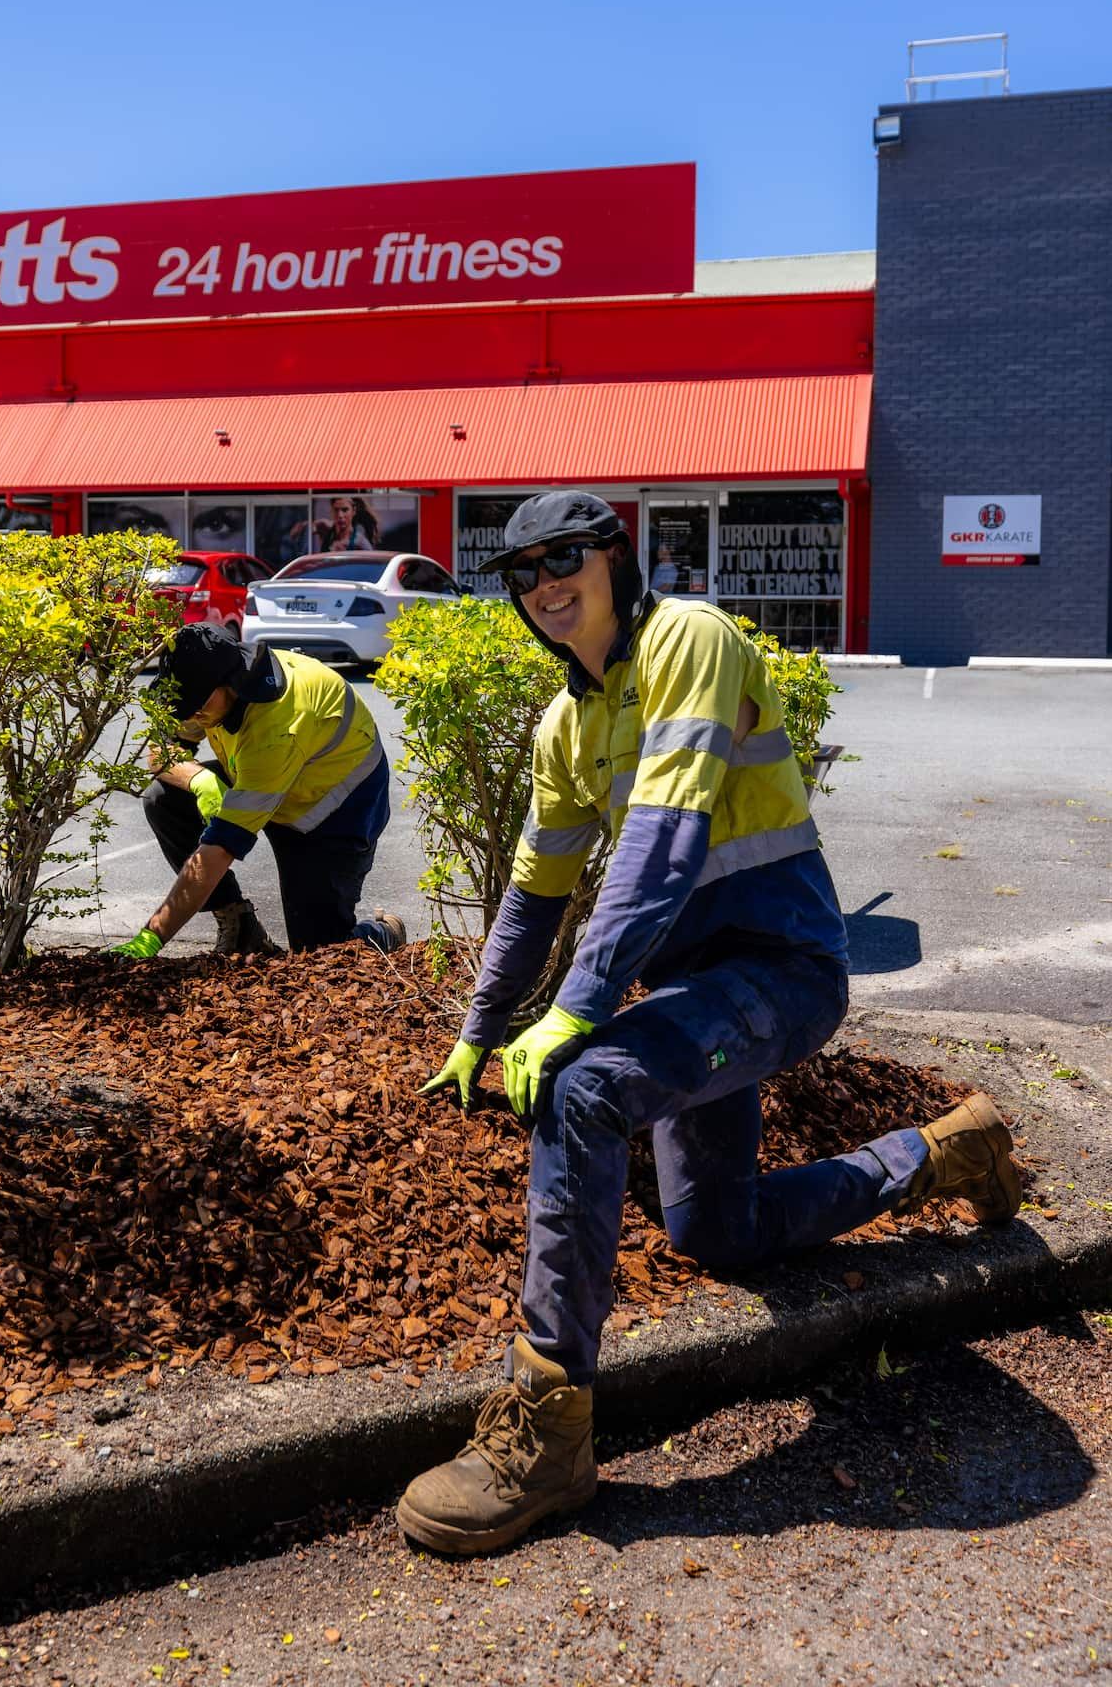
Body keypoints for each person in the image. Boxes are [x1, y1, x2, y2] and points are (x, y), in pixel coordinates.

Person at [399, 491, 1019, 1556]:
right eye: (522, 572)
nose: (545, 583)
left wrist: (577, 1010)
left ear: (614, 557)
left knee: (584, 1084)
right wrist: (479, 1026)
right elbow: (535, 892)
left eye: (565, 557)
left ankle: (547, 1434)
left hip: (782, 972)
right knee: (713, 1231)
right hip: (699, 995)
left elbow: (662, 839)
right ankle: (943, 1150)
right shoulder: (564, 722)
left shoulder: (687, 636)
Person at [111, 624, 405, 961]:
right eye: (185, 704)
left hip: (333, 807)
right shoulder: (206, 691)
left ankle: (383, 932)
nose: (191, 715)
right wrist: (198, 780)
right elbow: (160, 752)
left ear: (232, 684)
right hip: (263, 775)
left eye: (197, 704)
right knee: (164, 797)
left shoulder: (279, 725)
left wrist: (152, 936)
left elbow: (219, 850)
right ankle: (239, 924)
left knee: (319, 954)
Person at [315, 493, 379, 552]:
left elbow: (373, 562)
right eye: (336, 510)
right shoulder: (324, 529)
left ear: (353, 511)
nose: (340, 515)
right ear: (331, 511)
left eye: (345, 510)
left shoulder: (360, 542)